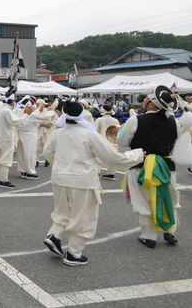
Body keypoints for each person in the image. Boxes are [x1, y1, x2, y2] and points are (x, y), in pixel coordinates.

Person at [42, 101, 143, 266]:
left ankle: (54, 235)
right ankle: (74, 254)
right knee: (83, 217)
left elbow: (47, 153)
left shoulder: (57, 133)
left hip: (59, 178)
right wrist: (137, 155)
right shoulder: (89, 134)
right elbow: (111, 157)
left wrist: (61, 164)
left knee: (63, 211)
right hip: (82, 180)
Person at [117, 86, 179, 249]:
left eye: (147, 98)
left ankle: (148, 235)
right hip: (166, 166)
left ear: (152, 104)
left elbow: (120, 140)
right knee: (169, 198)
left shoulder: (135, 120)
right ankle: (170, 229)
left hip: (141, 165)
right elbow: (175, 143)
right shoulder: (174, 121)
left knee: (142, 201)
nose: (144, 100)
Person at [0, 94, 23, 188]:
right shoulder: (7, 111)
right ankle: (3, 180)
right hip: (7, 138)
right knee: (6, 159)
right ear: (12, 101)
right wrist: (23, 115)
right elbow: (16, 122)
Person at [95, 104, 120, 180]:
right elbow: (118, 131)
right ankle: (111, 174)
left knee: (97, 157)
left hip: (101, 140)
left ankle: (96, 172)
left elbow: (95, 131)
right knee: (112, 157)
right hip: (112, 141)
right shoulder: (115, 120)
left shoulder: (99, 120)